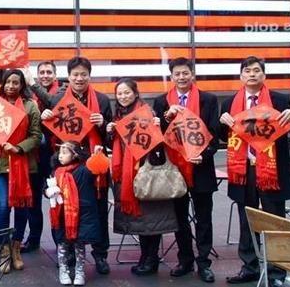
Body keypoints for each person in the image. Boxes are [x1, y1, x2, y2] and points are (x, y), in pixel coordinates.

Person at [219, 56, 290, 287]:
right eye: (247, 71)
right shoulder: (230, 103)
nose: (251, 74)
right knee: (246, 220)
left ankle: (276, 272)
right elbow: (223, 138)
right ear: (241, 76)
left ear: (263, 75)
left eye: (256, 70)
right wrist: (223, 124)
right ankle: (249, 267)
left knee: (274, 221)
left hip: (273, 172)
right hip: (243, 171)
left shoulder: (280, 100)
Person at [41, 57, 113, 275]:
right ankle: (67, 253)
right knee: (62, 207)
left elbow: (111, 139)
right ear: (69, 76)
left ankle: (100, 254)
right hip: (65, 165)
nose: (79, 78)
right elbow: (49, 134)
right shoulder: (57, 99)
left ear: (89, 76)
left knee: (98, 209)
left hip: (92, 165)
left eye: (83, 74)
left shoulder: (101, 100)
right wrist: (44, 119)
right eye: (75, 74)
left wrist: (103, 126)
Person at [152, 57, 219, 283]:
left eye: (185, 73)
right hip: (174, 169)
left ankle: (204, 263)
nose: (181, 77)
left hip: (201, 167)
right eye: (177, 74)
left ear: (192, 74)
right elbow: (157, 136)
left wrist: (204, 154)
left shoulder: (208, 100)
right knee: (179, 218)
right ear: (172, 77)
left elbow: (214, 133)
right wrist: (166, 118)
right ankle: (185, 260)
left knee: (203, 218)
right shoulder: (162, 102)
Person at [107, 78, 180, 277]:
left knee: (152, 217)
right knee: (141, 220)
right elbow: (113, 145)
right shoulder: (117, 116)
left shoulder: (148, 112)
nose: (123, 96)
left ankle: (151, 258)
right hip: (127, 174)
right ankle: (145, 256)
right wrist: (109, 132)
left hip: (147, 172)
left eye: (127, 92)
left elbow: (160, 142)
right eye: (119, 93)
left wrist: (158, 125)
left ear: (135, 93)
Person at [0, 69, 42, 273]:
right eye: (8, 82)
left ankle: (16, 247)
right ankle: (4, 250)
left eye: (16, 82)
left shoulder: (31, 106)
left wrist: (18, 147)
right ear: (3, 84)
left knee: (21, 207)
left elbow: (36, 136)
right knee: (3, 206)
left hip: (22, 164)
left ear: (22, 85)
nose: (11, 86)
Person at [47, 142, 106, 286]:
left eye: (65, 152)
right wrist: (48, 191)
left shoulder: (84, 170)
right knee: (62, 244)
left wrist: (96, 155)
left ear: (75, 155)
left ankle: (80, 270)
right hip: (61, 214)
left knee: (80, 244)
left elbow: (98, 168)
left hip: (81, 214)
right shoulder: (56, 171)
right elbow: (46, 186)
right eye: (59, 152)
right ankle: (64, 269)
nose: (61, 156)